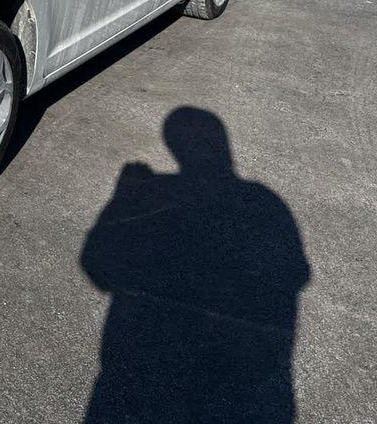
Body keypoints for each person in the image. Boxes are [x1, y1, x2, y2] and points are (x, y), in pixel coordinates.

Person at [81, 107, 310, 423]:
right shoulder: (266, 203)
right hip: (241, 386)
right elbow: (293, 275)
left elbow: (96, 265)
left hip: (140, 373)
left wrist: (125, 197)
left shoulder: (157, 192)